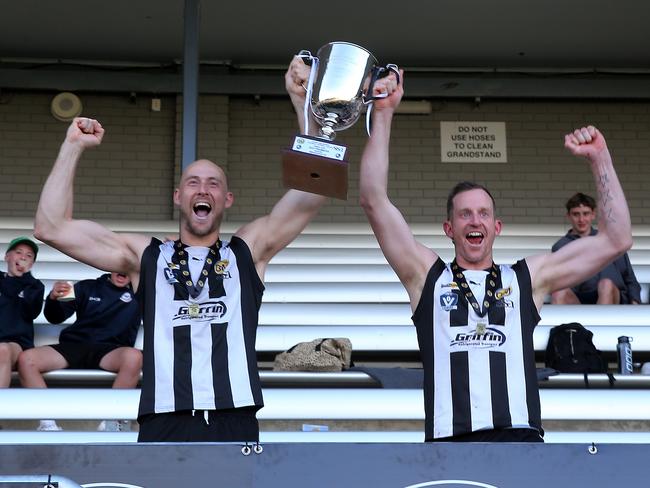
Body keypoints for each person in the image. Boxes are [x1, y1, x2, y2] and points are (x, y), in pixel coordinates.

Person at [33, 57, 327, 442]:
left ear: (227, 199)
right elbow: (50, 227)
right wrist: (72, 147)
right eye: (192, 182)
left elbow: (314, 189)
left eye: (213, 184)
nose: (202, 190)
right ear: (177, 197)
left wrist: (305, 108)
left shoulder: (247, 251)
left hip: (233, 416)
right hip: (163, 417)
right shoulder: (146, 257)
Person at [358, 71, 633, 442]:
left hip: (519, 440)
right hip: (450, 443)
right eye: (465, 214)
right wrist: (384, 112)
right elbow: (373, 200)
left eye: (484, 213)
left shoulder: (526, 279)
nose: (475, 220)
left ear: (497, 226)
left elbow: (617, 239)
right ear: (449, 228)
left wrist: (600, 160)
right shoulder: (427, 276)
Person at [18, 272, 142, 431]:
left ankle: (110, 423)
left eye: (127, 266)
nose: (122, 270)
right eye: (118, 265)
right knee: (27, 359)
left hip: (111, 351)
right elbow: (55, 317)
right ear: (109, 265)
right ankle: (47, 425)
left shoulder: (141, 293)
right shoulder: (85, 286)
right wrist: (53, 298)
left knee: (134, 357)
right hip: (75, 346)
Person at [551, 192, 641, 304]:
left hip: (611, 294)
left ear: (593, 214)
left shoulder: (611, 242)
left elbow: (629, 277)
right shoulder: (560, 246)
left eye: (586, 213)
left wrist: (635, 300)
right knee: (558, 292)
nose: (581, 219)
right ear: (568, 216)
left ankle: (600, 321)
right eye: (576, 214)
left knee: (606, 284)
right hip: (577, 298)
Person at [0, 237, 44, 388]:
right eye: (18, 252)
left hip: (16, 345)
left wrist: (25, 277)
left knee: (2, 350)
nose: (23, 257)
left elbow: (30, 311)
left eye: (29, 255)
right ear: (7, 257)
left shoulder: (35, 286)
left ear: (31, 264)